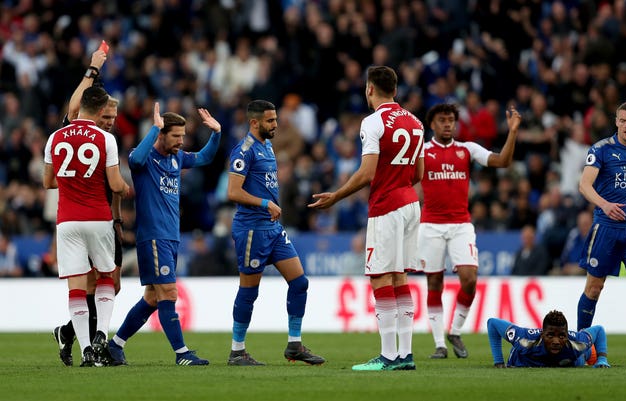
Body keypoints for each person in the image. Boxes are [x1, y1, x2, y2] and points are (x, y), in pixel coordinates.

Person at [309, 66, 424, 371]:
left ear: (370, 89)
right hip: (411, 204)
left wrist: (335, 196)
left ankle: (388, 356)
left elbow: (367, 172)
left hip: (387, 206)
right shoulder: (415, 122)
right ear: (395, 90)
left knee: (380, 277)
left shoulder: (373, 122)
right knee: (400, 277)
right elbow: (420, 174)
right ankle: (405, 355)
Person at [105, 103, 221, 366]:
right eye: (176, 136)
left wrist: (216, 134)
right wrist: (153, 128)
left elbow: (204, 157)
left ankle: (115, 346)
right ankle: (182, 354)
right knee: (168, 293)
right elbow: (133, 160)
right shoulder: (144, 158)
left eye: (183, 136)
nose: (181, 141)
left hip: (171, 237)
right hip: (154, 236)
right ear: (161, 134)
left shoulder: (176, 157)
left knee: (153, 297)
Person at [417, 103, 521, 359]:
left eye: (451, 119)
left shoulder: (467, 149)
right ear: (432, 125)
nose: (448, 124)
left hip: (461, 224)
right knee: (434, 282)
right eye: (442, 120)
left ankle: (455, 330)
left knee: (470, 280)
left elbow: (502, 161)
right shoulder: (422, 151)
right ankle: (440, 344)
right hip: (430, 225)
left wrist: (513, 132)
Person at [226, 99, 325, 367]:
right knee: (249, 291)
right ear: (254, 122)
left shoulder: (268, 146)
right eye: (270, 121)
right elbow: (232, 192)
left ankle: (294, 345)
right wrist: (264, 203)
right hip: (251, 229)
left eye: (276, 119)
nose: (275, 125)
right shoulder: (243, 150)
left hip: (272, 228)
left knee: (300, 282)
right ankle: (237, 350)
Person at [43, 85, 130, 367]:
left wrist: (74, 180)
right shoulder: (105, 139)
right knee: (106, 279)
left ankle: (85, 353)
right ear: (102, 109)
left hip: (67, 220)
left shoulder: (54, 138)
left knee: (77, 288)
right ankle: (102, 334)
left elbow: (48, 182)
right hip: (97, 217)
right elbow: (116, 185)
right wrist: (124, 188)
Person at [576, 101, 626, 331]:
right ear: (616, 122)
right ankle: (581, 342)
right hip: (606, 229)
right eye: (623, 120)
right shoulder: (601, 149)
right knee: (594, 287)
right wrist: (605, 205)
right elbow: (584, 185)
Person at [487, 310, 610, 368]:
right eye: (550, 335)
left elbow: (599, 330)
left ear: (567, 335)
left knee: (585, 354)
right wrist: (499, 362)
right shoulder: (525, 340)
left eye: (561, 336)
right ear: (542, 334)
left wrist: (602, 360)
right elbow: (492, 323)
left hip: (570, 360)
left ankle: (590, 354)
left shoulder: (577, 341)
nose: (556, 341)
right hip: (521, 362)